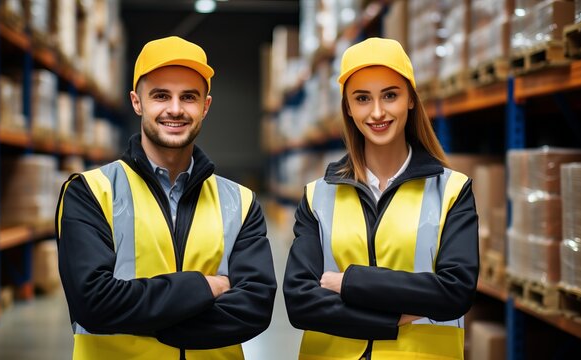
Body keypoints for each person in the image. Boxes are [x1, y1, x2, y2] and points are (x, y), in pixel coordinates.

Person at [56, 36, 277, 360]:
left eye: (188, 97)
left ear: (205, 106)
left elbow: (255, 307)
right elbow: (93, 303)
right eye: (161, 96)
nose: (175, 109)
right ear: (137, 102)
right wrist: (204, 287)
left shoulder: (239, 202)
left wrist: (146, 318)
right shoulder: (90, 192)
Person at [283, 37, 479, 360]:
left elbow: (454, 292)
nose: (377, 112)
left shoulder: (452, 192)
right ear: (347, 106)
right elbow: (300, 301)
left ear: (411, 100)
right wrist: (393, 317)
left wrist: (349, 282)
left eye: (390, 95)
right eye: (362, 98)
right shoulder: (317, 196)